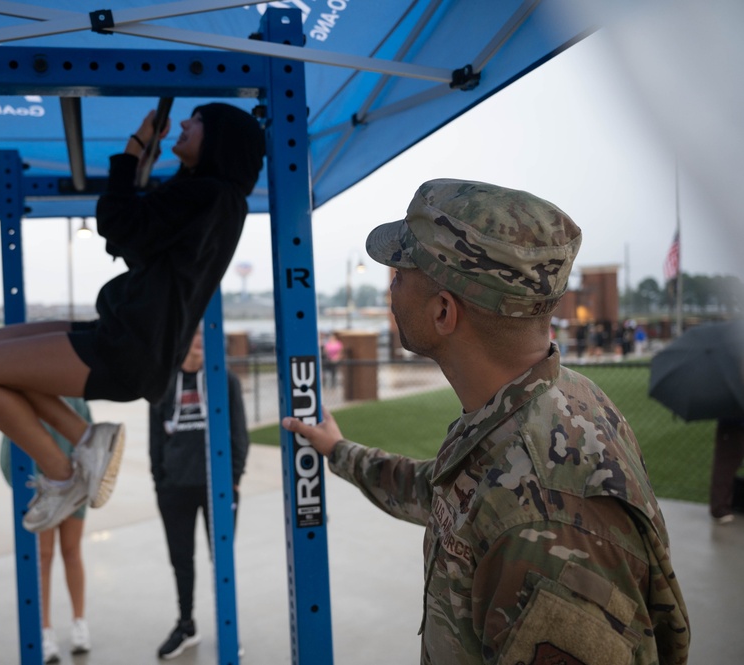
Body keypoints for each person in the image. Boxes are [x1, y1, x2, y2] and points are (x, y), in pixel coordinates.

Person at [282, 179, 690, 664]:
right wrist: (338, 450)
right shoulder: (546, 401)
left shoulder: (545, 524)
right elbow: (443, 492)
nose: (391, 285)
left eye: (401, 274)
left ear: (443, 311)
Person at [0, 103, 265, 535]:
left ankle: (63, 475)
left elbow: (117, 223)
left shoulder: (208, 195)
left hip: (128, 346)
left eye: (197, 119)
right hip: (125, 337)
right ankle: (86, 439)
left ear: (221, 139)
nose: (184, 123)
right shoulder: (215, 200)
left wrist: (135, 146)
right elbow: (134, 243)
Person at [149, 327, 249, 660]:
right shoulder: (164, 383)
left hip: (217, 488)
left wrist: (233, 479)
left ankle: (228, 626)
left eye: (203, 333)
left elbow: (239, 434)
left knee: (221, 559)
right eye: (191, 332)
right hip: (174, 488)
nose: (197, 338)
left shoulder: (225, 381)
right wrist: (159, 479)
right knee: (181, 561)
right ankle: (186, 625)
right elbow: (155, 439)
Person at [0, 396, 95, 662]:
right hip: (42, 493)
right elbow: (8, 455)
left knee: (72, 551)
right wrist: (29, 489)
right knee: (43, 555)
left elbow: (92, 444)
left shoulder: (75, 399)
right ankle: (45, 629)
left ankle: (79, 622)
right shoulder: (24, 396)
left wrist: (86, 483)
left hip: (75, 489)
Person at [709, 416, 744, 523]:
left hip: (734, 423)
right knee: (725, 467)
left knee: (725, 466)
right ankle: (719, 509)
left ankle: (720, 508)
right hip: (733, 424)